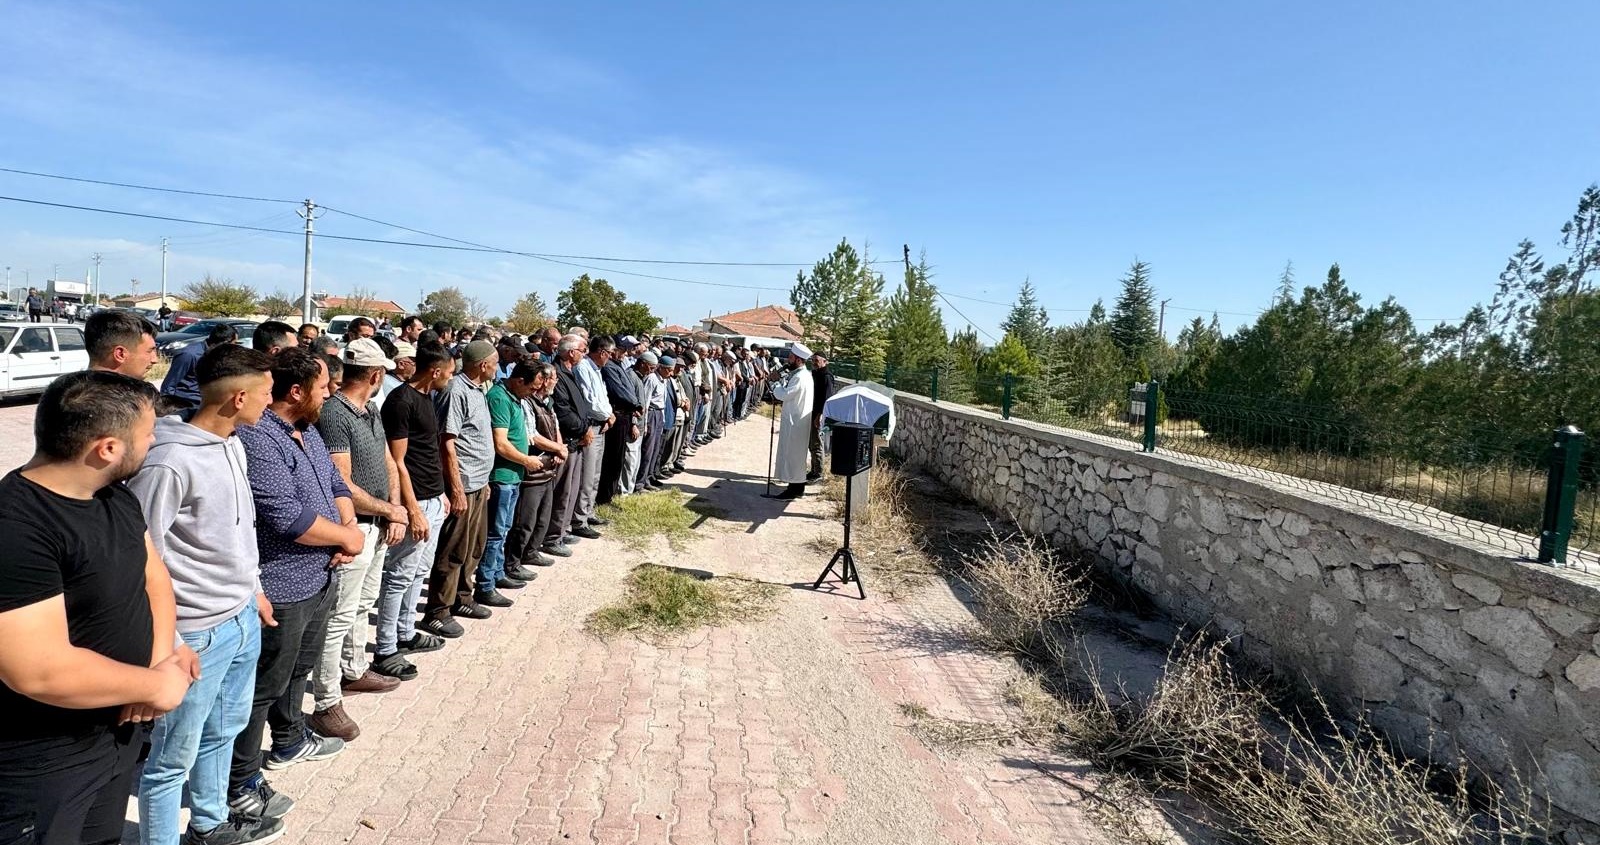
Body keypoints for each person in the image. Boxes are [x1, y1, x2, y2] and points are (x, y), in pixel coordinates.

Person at [0, 372, 194, 845]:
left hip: (117, 734)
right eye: (148, 435)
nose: (154, 442)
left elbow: (153, 579)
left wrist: (162, 655)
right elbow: (38, 670)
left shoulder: (115, 497)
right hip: (44, 760)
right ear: (107, 448)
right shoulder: (18, 527)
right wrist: (159, 685)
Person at [130, 345, 281, 845]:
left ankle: (209, 823)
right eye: (266, 393)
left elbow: (240, 531)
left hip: (239, 619)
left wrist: (253, 591)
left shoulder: (233, 443)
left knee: (224, 730)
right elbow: (137, 554)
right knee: (171, 758)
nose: (271, 401)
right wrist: (169, 640)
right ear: (239, 397)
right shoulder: (169, 461)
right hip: (194, 632)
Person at [229, 348, 364, 823]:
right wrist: (347, 535)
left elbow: (336, 484)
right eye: (324, 387)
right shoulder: (259, 437)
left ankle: (288, 741)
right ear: (296, 391)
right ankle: (239, 780)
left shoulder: (305, 432)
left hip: (320, 575)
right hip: (282, 583)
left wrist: (349, 528)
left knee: (297, 670)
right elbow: (287, 516)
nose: (330, 394)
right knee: (263, 684)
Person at [308, 339, 408, 744]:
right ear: (376, 374)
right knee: (339, 616)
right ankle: (326, 700)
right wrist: (388, 510)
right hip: (356, 527)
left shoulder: (369, 410)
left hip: (380, 521)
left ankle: (354, 669)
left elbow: (386, 461)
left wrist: (396, 508)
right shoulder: (334, 414)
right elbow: (342, 482)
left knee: (363, 605)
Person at [371, 344, 454, 679]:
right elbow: (397, 460)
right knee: (399, 575)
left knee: (419, 571)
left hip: (433, 498)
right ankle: (386, 648)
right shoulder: (401, 401)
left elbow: (428, 450)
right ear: (435, 370)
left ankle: (405, 633)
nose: (451, 376)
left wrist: (442, 493)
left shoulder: (427, 397)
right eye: (449, 371)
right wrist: (412, 508)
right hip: (414, 501)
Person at [422, 340, 499, 638]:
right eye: (493, 363)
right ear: (483, 365)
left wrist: (486, 480)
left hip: (479, 482)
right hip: (462, 484)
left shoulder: (478, 390)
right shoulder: (456, 392)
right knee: (453, 549)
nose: (496, 368)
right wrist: (455, 488)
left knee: (474, 547)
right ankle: (438, 611)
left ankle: (462, 598)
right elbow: (447, 442)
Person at [477, 362, 554, 600]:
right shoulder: (500, 398)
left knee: (505, 528)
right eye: (532, 387)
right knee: (496, 531)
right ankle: (486, 584)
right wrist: (526, 460)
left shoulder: (515, 397)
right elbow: (500, 443)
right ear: (519, 380)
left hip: (513, 475)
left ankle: (498, 572)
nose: (534, 392)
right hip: (502, 476)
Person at [505, 363, 565, 569]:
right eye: (554, 378)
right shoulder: (528, 402)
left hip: (548, 468)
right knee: (525, 521)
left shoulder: (548, 402)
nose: (556, 382)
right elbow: (532, 436)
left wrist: (558, 448)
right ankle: (512, 562)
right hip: (534, 468)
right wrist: (557, 448)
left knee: (542, 518)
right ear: (544, 380)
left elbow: (555, 425)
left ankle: (531, 552)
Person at [542, 336, 592, 557]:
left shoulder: (569, 372)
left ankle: (562, 530)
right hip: (568, 441)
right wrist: (583, 429)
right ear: (571, 352)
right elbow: (562, 412)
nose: (584, 353)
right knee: (562, 492)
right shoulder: (556, 374)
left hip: (576, 440)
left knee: (571, 490)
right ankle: (552, 537)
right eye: (582, 349)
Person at [572, 336, 614, 533]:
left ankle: (588, 512)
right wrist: (607, 415)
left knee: (595, 474)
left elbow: (602, 398)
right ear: (602, 352)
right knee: (587, 476)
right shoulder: (583, 368)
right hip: (591, 425)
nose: (611, 358)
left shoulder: (596, 370)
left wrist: (609, 415)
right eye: (610, 354)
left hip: (601, 425)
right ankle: (579, 519)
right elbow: (589, 401)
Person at [766, 344, 816, 500]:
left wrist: (775, 383)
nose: (789, 360)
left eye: (791, 357)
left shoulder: (801, 377)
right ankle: (797, 487)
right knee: (795, 455)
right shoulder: (800, 375)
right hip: (796, 420)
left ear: (798, 359)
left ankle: (793, 489)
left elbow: (785, 394)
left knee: (793, 455)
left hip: (796, 422)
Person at [597, 336, 641, 506]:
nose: (624, 354)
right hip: (617, 415)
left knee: (618, 459)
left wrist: (635, 404)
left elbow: (628, 389)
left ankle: (610, 495)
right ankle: (604, 497)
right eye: (621, 350)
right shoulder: (609, 368)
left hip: (625, 415)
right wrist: (635, 403)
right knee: (611, 459)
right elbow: (619, 391)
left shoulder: (617, 365)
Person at [162, 323, 238, 411]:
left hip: (206, 405)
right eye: (234, 343)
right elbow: (169, 385)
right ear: (225, 342)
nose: (235, 347)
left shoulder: (221, 356)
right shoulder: (189, 355)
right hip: (185, 406)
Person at [86, 308, 160, 379]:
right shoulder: (141, 391)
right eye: (149, 351)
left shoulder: (77, 388)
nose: (155, 360)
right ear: (120, 354)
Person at [633, 351, 667, 492]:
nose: (671, 373)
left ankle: (648, 478)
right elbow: (645, 402)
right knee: (647, 450)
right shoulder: (651, 379)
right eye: (669, 370)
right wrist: (645, 423)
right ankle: (639, 482)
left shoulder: (663, 380)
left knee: (654, 449)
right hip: (651, 414)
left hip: (659, 414)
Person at [808, 353, 837, 483]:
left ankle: (818, 473)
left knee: (817, 444)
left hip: (819, 415)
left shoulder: (826, 377)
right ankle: (813, 470)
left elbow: (826, 399)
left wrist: (819, 416)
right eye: (813, 360)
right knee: (812, 444)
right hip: (812, 412)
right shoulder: (815, 374)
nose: (814, 362)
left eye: (817, 360)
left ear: (825, 362)